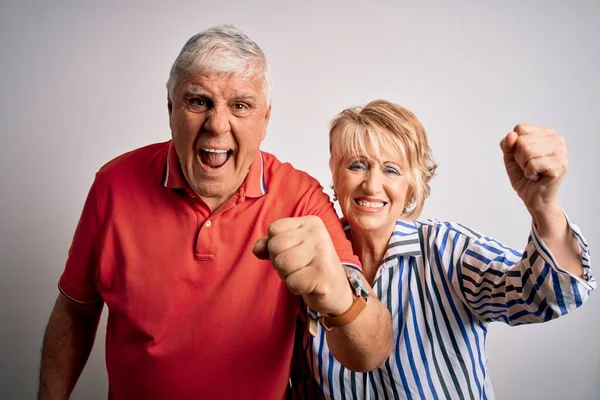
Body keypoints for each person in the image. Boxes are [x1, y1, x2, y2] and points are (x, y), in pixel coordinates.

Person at [38, 26, 393, 400]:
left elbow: (370, 351)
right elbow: (76, 310)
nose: (217, 125)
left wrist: (338, 295)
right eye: (199, 102)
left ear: (265, 119)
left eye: (240, 106)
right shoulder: (113, 185)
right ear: (171, 108)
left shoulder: (300, 198)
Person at [289, 100, 595, 399]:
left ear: (413, 184)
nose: (371, 185)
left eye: (392, 170)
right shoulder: (312, 258)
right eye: (357, 165)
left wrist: (543, 205)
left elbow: (545, 295)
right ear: (334, 172)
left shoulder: (447, 249)